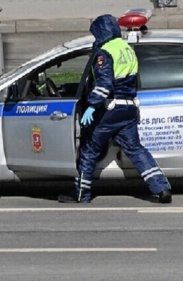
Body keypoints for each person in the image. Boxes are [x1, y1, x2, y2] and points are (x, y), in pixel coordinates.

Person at [58, 14, 172, 204]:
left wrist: (92, 106)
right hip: (129, 109)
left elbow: (104, 84)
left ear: (101, 32)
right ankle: (162, 188)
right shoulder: (126, 48)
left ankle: (81, 194)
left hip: (109, 110)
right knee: (136, 150)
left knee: (89, 150)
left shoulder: (105, 52)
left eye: (96, 34)